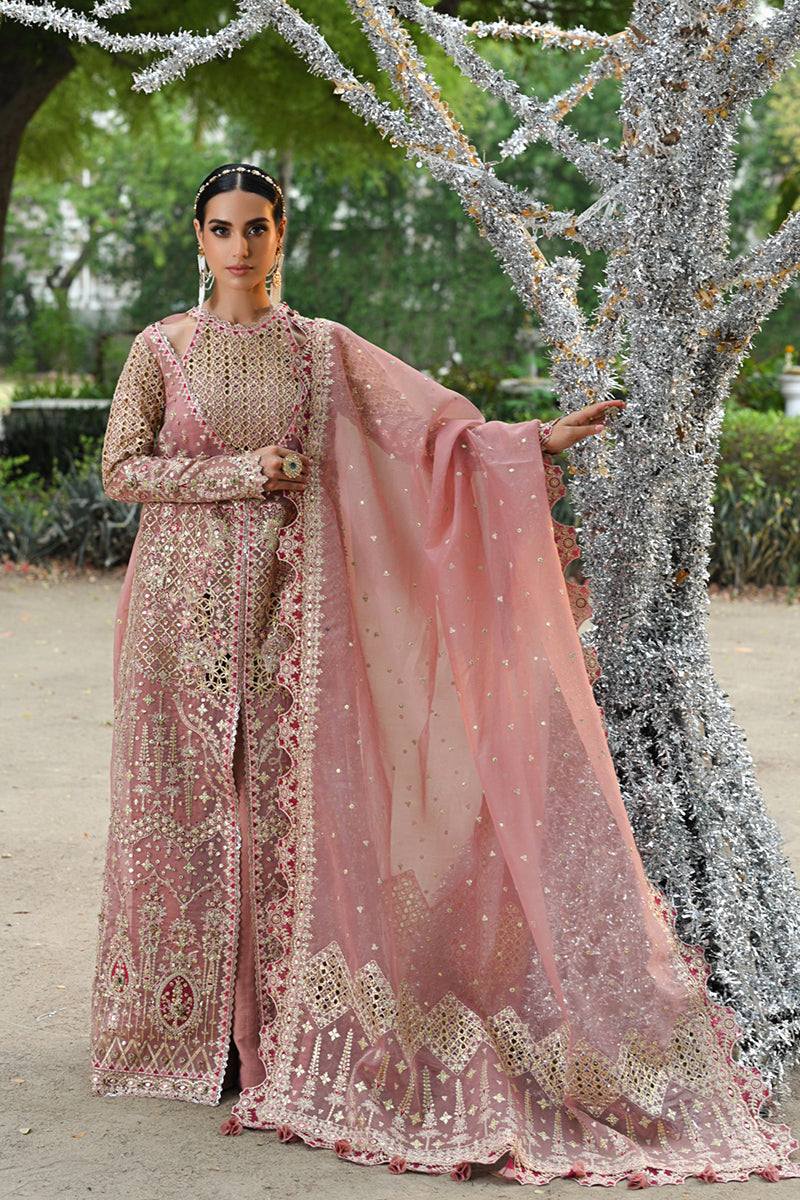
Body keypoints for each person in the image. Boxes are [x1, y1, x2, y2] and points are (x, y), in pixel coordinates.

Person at [90, 161, 799, 1187]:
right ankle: (186, 1034)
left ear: (282, 234)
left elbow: (427, 433)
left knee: (280, 812)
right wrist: (246, 473)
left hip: (289, 616)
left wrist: (529, 444)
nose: (239, 246)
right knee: (190, 807)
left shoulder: (322, 350)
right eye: (221, 228)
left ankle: (269, 1031)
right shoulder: (160, 349)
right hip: (176, 618)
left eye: (256, 227)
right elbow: (121, 470)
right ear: (198, 239)